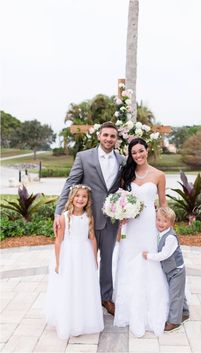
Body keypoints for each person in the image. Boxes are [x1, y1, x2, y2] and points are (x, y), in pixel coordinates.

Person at [54, 122, 125, 315]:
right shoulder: (84, 157)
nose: (109, 139)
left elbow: (125, 187)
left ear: (116, 139)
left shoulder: (122, 160)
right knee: (84, 258)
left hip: (111, 219)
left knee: (107, 259)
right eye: (106, 135)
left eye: (113, 136)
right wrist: (59, 212)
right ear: (99, 136)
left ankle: (106, 297)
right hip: (87, 219)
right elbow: (71, 182)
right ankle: (84, 297)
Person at [113, 137, 169, 337]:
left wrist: (166, 228)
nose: (138, 155)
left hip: (148, 224)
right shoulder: (126, 174)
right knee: (128, 261)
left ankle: (150, 307)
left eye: (140, 151)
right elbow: (120, 200)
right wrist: (120, 220)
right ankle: (128, 309)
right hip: (131, 225)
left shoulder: (159, 175)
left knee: (149, 260)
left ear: (147, 150)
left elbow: (162, 203)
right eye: (134, 152)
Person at [45, 184, 104, 339]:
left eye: (84, 196)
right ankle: (68, 319)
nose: (80, 199)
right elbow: (58, 241)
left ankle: (83, 319)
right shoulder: (64, 217)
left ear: (88, 200)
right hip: (69, 255)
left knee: (83, 286)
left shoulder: (88, 216)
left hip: (84, 255)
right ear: (72, 197)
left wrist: (94, 258)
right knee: (69, 285)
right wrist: (58, 263)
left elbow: (92, 238)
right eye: (77, 196)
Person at [143, 207, 190, 332]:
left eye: (164, 221)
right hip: (170, 270)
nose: (160, 223)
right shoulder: (160, 233)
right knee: (178, 292)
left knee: (175, 295)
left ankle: (174, 321)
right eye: (158, 220)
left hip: (177, 271)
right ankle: (185, 312)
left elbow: (164, 255)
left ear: (171, 223)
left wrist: (148, 256)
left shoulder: (171, 238)